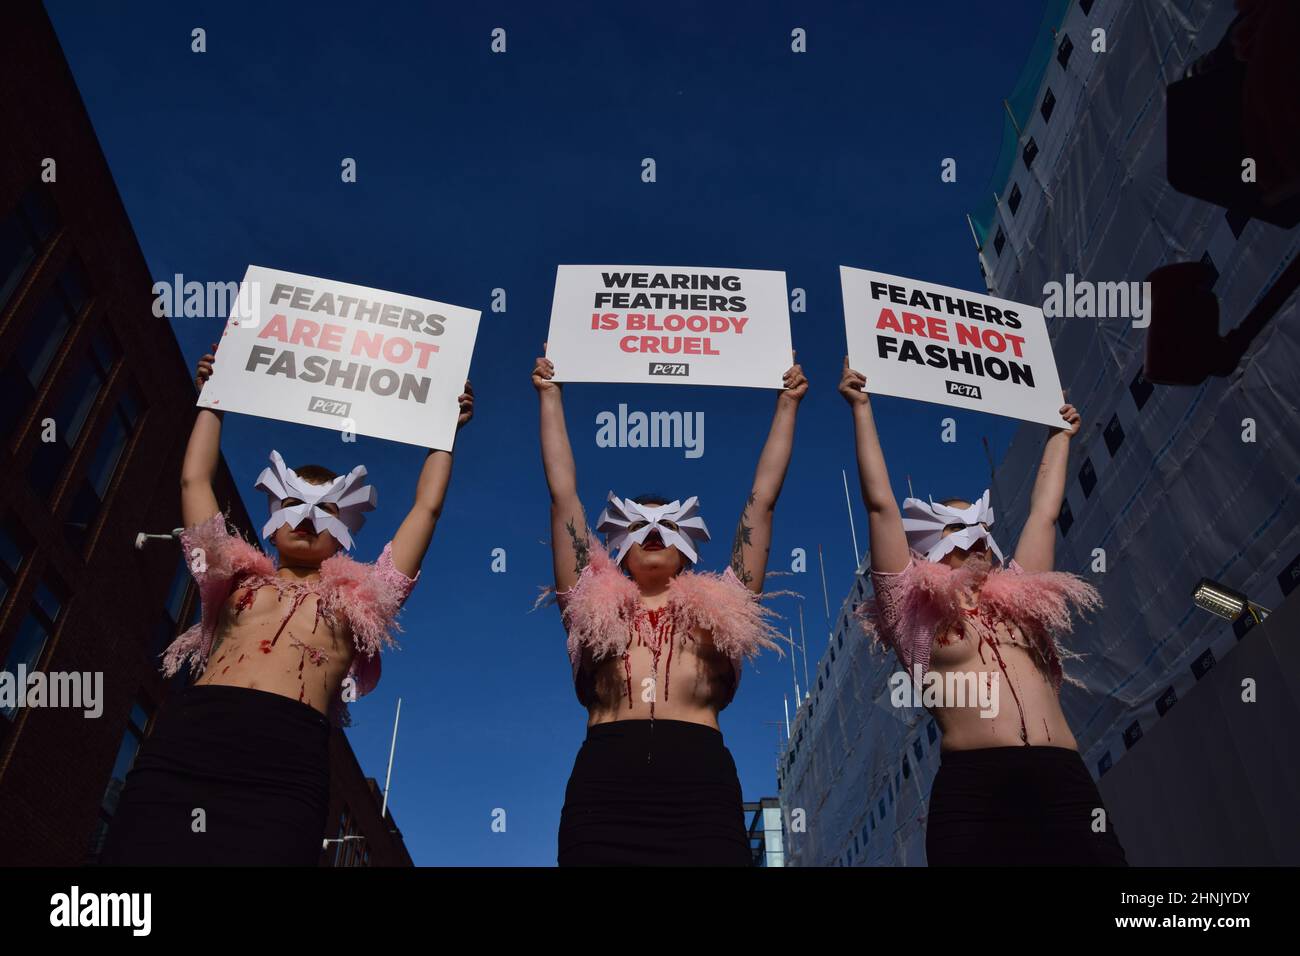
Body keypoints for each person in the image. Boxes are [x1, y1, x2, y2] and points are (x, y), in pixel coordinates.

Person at [99, 345, 472, 866]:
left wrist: (444, 435)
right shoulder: (228, 578)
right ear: (274, 510)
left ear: (346, 529)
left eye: (324, 510)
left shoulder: (365, 597)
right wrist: (214, 399)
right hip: (192, 736)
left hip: (287, 757)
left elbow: (425, 511)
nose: (305, 519)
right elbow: (194, 481)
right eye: (293, 503)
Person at [839, 357, 1127, 866]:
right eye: (954, 530)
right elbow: (881, 505)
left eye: (979, 528)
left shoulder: (1021, 595)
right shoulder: (911, 611)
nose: (973, 540)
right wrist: (862, 407)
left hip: (1064, 781)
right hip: (976, 792)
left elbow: (1044, 513)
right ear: (927, 549)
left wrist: (1059, 436)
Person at [534, 343, 805, 866]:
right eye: (638, 524)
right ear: (617, 542)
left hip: (701, 794)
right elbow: (563, 497)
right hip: (603, 795)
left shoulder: (725, 606)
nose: (653, 533)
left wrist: (787, 403)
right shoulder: (590, 604)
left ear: (688, 545)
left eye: (668, 524)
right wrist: (550, 395)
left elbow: (762, 501)